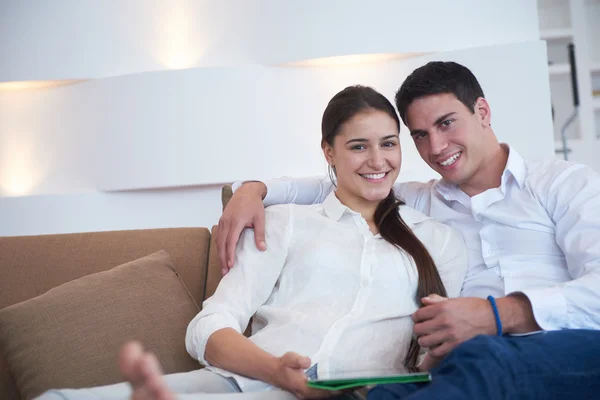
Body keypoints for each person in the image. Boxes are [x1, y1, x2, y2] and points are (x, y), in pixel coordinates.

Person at [37, 85, 467, 400]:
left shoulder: (438, 241)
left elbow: (437, 350)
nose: (378, 161)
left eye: (388, 144)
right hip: (244, 381)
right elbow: (208, 327)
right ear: (328, 152)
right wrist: (278, 371)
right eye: (358, 146)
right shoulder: (285, 224)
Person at [216, 61, 600, 399]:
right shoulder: (419, 203)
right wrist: (256, 189)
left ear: (482, 111)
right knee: (384, 390)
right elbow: (343, 183)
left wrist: (496, 315)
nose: (435, 146)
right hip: (465, 364)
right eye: (419, 134)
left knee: (481, 358)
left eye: (446, 123)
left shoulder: (563, 184)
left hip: (564, 346)